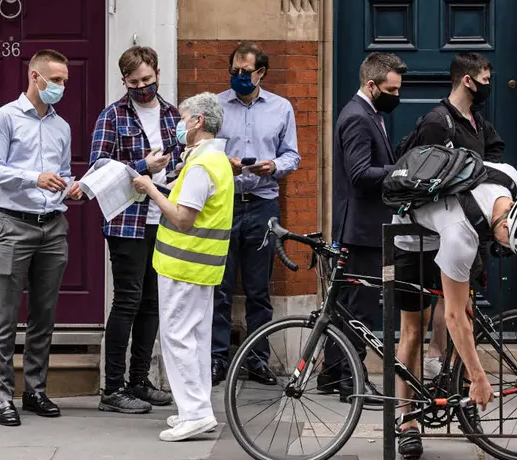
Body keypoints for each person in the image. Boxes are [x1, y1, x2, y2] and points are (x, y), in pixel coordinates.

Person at [392, 162, 517, 459]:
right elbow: (452, 317)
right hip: (412, 239)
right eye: (512, 247)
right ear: (505, 226)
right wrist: (481, 377)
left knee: (467, 318)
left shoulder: (511, 179)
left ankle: (467, 408)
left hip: (461, 227)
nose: (508, 253)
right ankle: (407, 422)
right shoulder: (460, 237)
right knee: (414, 331)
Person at [0, 49, 82, 427]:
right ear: (35, 77)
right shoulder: (4, 118)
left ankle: (35, 390)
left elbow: (62, 172)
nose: (61, 87)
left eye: (65, 82)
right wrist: (34, 177)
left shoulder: (62, 126)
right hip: (14, 223)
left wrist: (72, 187)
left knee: (44, 313)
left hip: (53, 224)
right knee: (5, 314)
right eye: (56, 80)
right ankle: (3, 397)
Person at [133, 92, 233, 441]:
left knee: (178, 338)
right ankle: (197, 408)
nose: (179, 124)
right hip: (201, 267)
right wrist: (159, 185)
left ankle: (194, 412)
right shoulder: (212, 161)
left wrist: (148, 187)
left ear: (198, 122)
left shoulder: (202, 165)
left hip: (184, 266)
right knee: (196, 338)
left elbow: (183, 217)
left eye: (184, 117)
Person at [89, 46, 179, 413]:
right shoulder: (112, 116)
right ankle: (112, 388)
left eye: (147, 79)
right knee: (127, 299)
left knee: (152, 302)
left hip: (165, 215)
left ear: (157, 72)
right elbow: (97, 167)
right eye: (134, 82)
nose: (142, 87)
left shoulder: (174, 114)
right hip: (126, 220)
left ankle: (139, 380)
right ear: (123, 81)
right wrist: (143, 164)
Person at [407, 52, 505, 379]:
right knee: (439, 302)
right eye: (486, 80)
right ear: (468, 80)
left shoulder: (480, 124)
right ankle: (437, 363)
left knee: (464, 305)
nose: (488, 87)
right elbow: (428, 174)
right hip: (438, 227)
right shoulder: (438, 122)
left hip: (470, 225)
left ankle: (458, 377)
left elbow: (495, 164)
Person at [320, 52, 407, 406]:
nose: (396, 97)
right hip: (363, 229)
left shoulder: (367, 113)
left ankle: (330, 374)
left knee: (346, 303)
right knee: (361, 308)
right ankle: (352, 382)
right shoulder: (357, 117)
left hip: (361, 226)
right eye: (392, 89)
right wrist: (398, 173)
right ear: (371, 85)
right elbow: (359, 174)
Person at [211, 41, 301, 386]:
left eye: (245, 72)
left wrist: (273, 166)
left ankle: (257, 359)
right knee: (219, 286)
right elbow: (201, 148)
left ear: (261, 73)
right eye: (233, 71)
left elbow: (293, 155)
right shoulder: (217, 105)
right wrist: (224, 165)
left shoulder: (281, 108)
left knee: (258, 289)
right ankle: (218, 359)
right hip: (224, 204)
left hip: (263, 205)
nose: (238, 76)